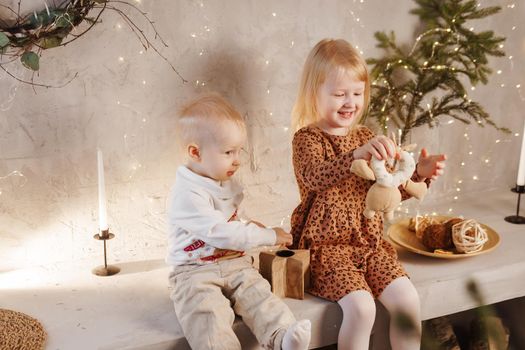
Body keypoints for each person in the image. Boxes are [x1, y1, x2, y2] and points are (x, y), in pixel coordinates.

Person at [290, 39, 446, 350]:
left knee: (407, 299)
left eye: (357, 94)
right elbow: (316, 176)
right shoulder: (307, 139)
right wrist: (355, 156)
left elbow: (384, 191)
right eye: (339, 94)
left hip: (369, 245)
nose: (350, 102)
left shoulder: (365, 135)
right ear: (314, 94)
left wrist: (419, 175)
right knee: (362, 309)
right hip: (327, 250)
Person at [167, 93, 311, 350]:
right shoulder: (186, 194)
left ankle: (282, 335)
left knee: (258, 293)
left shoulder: (220, 180)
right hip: (194, 271)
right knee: (206, 312)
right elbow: (220, 231)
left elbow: (227, 219)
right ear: (195, 152)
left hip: (233, 261)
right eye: (228, 152)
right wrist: (269, 235)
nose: (237, 159)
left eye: (238, 150)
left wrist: (247, 223)